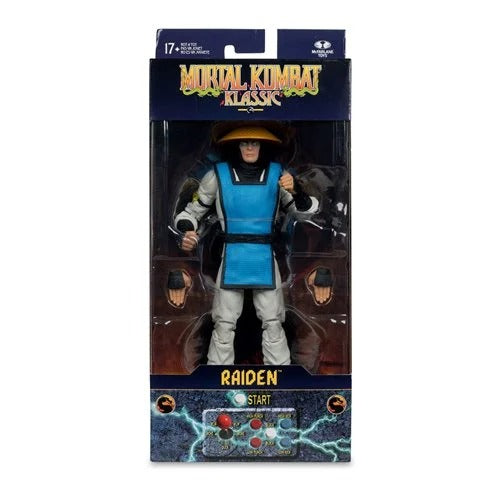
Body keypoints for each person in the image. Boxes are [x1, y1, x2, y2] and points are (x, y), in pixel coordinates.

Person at [172, 125, 319, 365]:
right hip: (231, 256)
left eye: (255, 142)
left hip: (265, 256)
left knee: (273, 321)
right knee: (223, 322)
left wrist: (297, 190)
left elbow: (303, 212)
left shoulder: (277, 175)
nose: (249, 147)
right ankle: (218, 372)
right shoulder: (217, 176)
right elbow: (192, 212)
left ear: (263, 146)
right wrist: (188, 232)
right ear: (235, 146)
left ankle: (280, 372)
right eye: (244, 143)